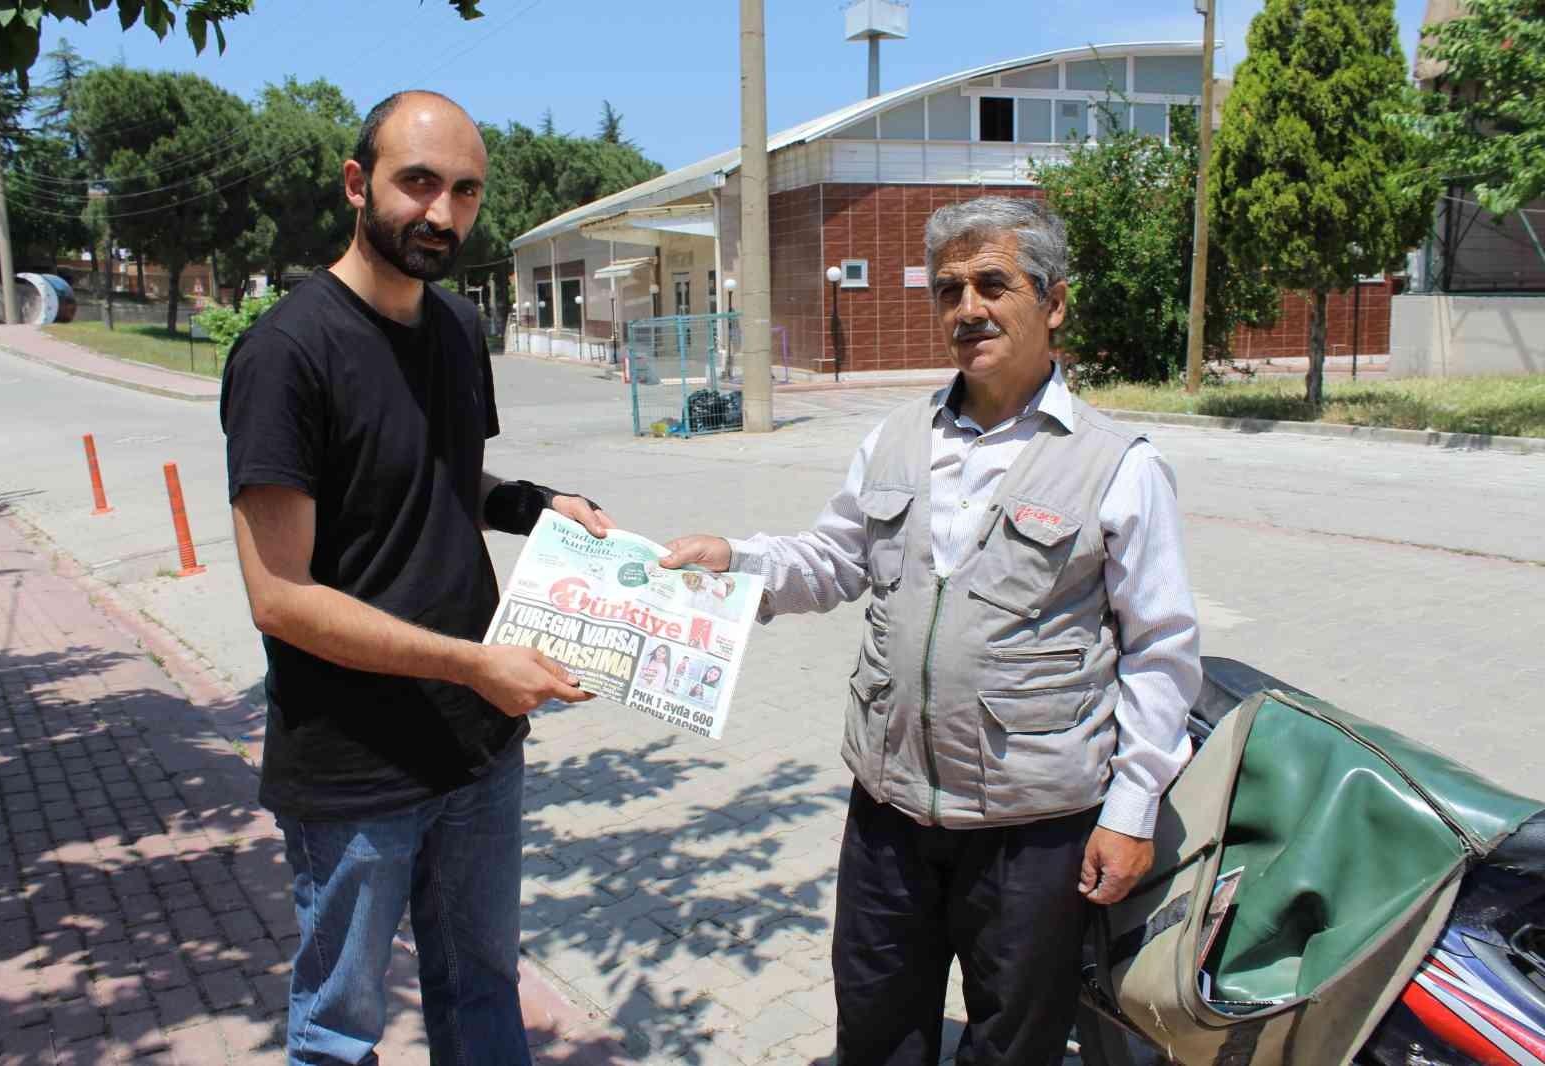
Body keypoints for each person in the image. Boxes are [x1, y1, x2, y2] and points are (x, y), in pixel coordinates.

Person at [663, 197, 1200, 1065]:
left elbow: (1162, 652)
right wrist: (735, 560)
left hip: (1035, 829)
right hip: (889, 814)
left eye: (994, 283)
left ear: (1053, 303)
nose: (968, 309)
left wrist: (1133, 810)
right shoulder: (896, 438)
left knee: (1012, 1048)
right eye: (948, 290)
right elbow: (834, 558)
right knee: (875, 1036)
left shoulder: (1120, 464)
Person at [219, 90, 612, 1066]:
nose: (442, 212)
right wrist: (472, 664)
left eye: (466, 190)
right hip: (357, 765)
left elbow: (434, 479)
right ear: (359, 184)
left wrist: (534, 505)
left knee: (483, 989)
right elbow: (281, 595)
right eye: (419, 182)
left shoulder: (454, 330)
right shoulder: (285, 354)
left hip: (477, 750)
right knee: (340, 1028)